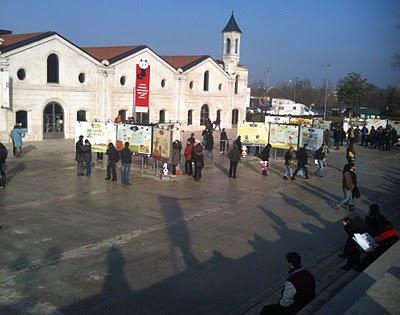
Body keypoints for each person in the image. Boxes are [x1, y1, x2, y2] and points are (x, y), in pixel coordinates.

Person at [341, 205, 398, 271]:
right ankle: (352, 262)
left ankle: (355, 265)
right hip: (388, 238)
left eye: (369, 210)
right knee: (356, 245)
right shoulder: (380, 218)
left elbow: (372, 232)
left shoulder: (374, 220)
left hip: (383, 241)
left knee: (359, 248)